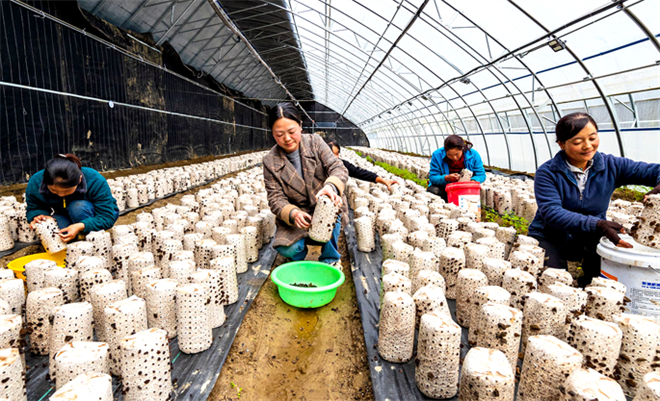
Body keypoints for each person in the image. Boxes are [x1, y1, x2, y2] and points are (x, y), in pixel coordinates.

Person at [529, 112, 660, 287]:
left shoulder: (611, 165)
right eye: (577, 142)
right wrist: (597, 224)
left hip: (589, 236)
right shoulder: (548, 173)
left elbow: (653, 171)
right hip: (551, 234)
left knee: (600, 281)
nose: (588, 146)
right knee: (553, 281)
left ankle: (587, 280)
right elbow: (552, 212)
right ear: (561, 144)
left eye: (592, 138)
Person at [263, 103, 349, 266]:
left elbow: (337, 167)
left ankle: (330, 259)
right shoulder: (270, 162)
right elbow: (275, 198)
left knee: (329, 207)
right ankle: (300, 261)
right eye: (279, 134)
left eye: (291, 132)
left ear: (301, 126)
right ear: (272, 133)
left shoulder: (315, 142)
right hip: (299, 213)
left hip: (324, 205)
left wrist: (330, 187)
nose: (287, 138)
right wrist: (293, 213)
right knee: (287, 248)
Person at [26, 154, 119, 242]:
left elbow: (106, 217)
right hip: (65, 214)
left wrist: (80, 226)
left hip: (96, 213)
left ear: (79, 180)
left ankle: (90, 238)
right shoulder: (36, 182)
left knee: (78, 207)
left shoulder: (94, 179)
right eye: (54, 191)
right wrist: (38, 216)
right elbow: (34, 207)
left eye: (67, 191)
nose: (61, 195)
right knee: (53, 229)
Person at [427, 135, 486, 201]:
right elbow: (433, 177)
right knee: (433, 191)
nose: (454, 158)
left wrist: (472, 181)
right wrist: (446, 178)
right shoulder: (437, 155)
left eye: (457, 154)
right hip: (445, 188)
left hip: (465, 189)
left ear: (462, 149)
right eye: (449, 155)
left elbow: (481, 175)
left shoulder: (473, 155)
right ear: (445, 151)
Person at [326, 140, 399, 192]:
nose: (337, 156)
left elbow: (360, 173)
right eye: (333, 154)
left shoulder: (342, 164)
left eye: (337, 153)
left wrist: (384, 181)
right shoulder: (319, 165)